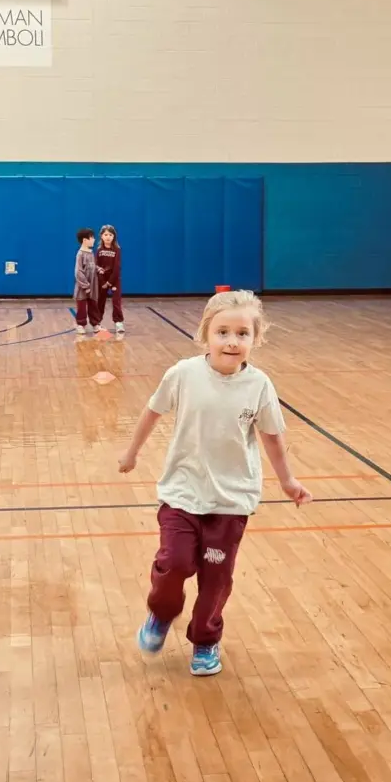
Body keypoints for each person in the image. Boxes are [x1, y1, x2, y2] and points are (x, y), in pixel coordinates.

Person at [118, 289, 312, 676]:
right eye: (223, 332)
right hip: (182, 493)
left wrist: (287, 481)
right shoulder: (183, 374)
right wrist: (132, 452)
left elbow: (272, 437)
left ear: (255, 339)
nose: (232, 341)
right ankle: (161, 614)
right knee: (174, 563)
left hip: (231, 501)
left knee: (216, 581)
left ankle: (205, 642)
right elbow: (152, 411)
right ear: (205, 334)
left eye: (242, 334)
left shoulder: (259, 386)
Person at [96, 225, 124, 333]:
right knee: (100, 301)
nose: (108, 237)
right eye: (106, 235)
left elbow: (117, 268)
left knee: (116, 301)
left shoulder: (117, 250)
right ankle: (97, 322)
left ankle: (118, 323)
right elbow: (96, 266)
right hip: (102, 280)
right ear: (101, 236)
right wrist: (102, 281)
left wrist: (109, 282)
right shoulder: (99, 250)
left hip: (114, 279)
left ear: (114, 236)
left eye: (110, 235)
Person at [74, 228, 101, 334]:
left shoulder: (91, 253)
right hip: (83, 287)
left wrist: (98, 269)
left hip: (93, 285)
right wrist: (86, 286)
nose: (94, 239)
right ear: (85, 240)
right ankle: (80, 324)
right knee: (81, 305)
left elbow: (92, 266)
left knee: (93, 305)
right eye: (92, 237)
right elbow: (78, 272)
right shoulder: (80, 254)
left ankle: (95, 324)